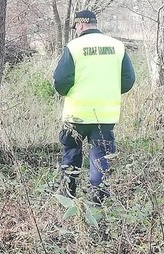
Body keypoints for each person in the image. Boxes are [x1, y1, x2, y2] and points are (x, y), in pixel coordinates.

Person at [53, 10, 136, 204]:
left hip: (76, 114)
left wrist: (67, 92)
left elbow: (60, 80)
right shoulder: (117, 46)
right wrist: (110, 91)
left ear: (80, 25)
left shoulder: (74, 47)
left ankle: (68, 199)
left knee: (71, 157)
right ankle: (98, 204)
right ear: (95, 23)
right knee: (101, 160)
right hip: (105, 116)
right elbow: (129, 79)